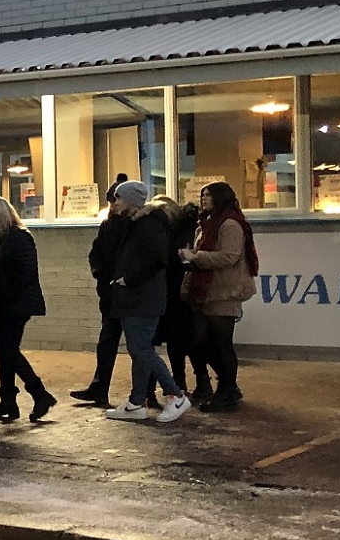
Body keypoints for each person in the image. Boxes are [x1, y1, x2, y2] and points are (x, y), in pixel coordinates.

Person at [102, 180, 192, 423]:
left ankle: (176, 395)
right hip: (136, 298)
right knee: (138, 349)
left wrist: (128, 280)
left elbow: (156, 260)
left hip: (142, 298)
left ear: (132, 200)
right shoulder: (133, 223)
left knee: (141, 349)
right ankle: (136, 402)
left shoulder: (148, 225)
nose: (115, 202)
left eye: (119, 198)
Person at [180, 181, 258, 412]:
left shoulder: (230, 224)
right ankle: (228, 386)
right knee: (198, 341)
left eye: (208, 195)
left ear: (220, 198)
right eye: (202, 195)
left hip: (225, 290)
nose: (203, 199)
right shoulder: (203, 225)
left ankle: (226, 392)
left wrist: (195, 257)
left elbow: (229, 257)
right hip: (204, 291)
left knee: (221, 343)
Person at [0, 196, 55, 422]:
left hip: (16, 305)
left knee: (8, 350)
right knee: (4, 351)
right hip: (6, 304)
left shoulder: (18, 237)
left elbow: (27, 271)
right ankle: (8, 400)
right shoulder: (1, 238)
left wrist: (7, 295)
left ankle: (39, 393)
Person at [71, 178, 132, 406]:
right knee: (107, 341)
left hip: (127, 290)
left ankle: (149, 391)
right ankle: (99, 386)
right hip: (109, 292)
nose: (113, 205)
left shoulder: (135, 225)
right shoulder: (109, 225)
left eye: (116, 200)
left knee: (139, 344)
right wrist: (98, 271)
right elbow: (96, 252)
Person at [154, 194, 206, 405]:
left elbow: (178, 260)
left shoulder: (179, 231)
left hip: (178, 293)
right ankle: (186, 382)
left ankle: (190, 382)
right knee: (182, 342)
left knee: (184, 342)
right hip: (175, 294)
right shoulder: (178, 229)